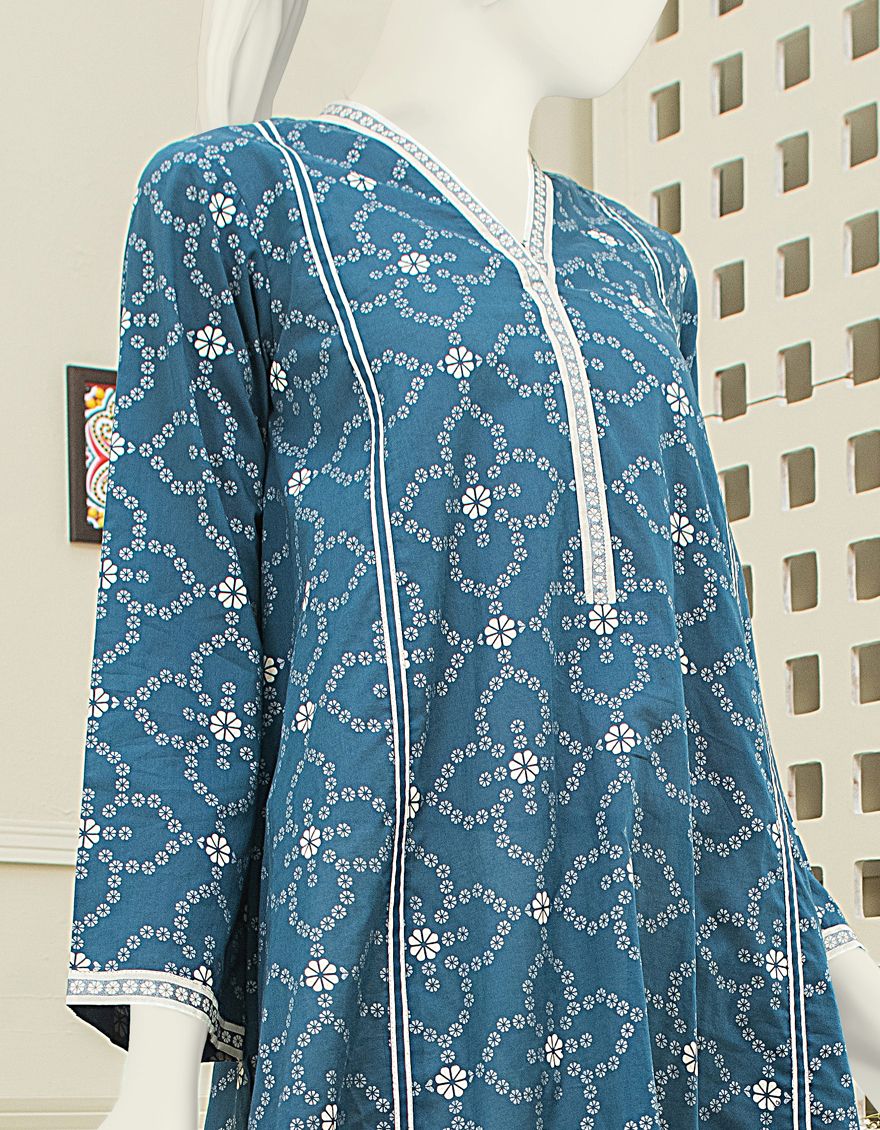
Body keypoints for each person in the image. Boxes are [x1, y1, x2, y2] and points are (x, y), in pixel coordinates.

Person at [67, 2, 880, 1127]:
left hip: (647, 953)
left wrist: (839, 970)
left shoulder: (645, 269)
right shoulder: (239, 200)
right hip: (391, 953)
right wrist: (156, 1064)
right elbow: (180, 627)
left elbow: (703, 665)